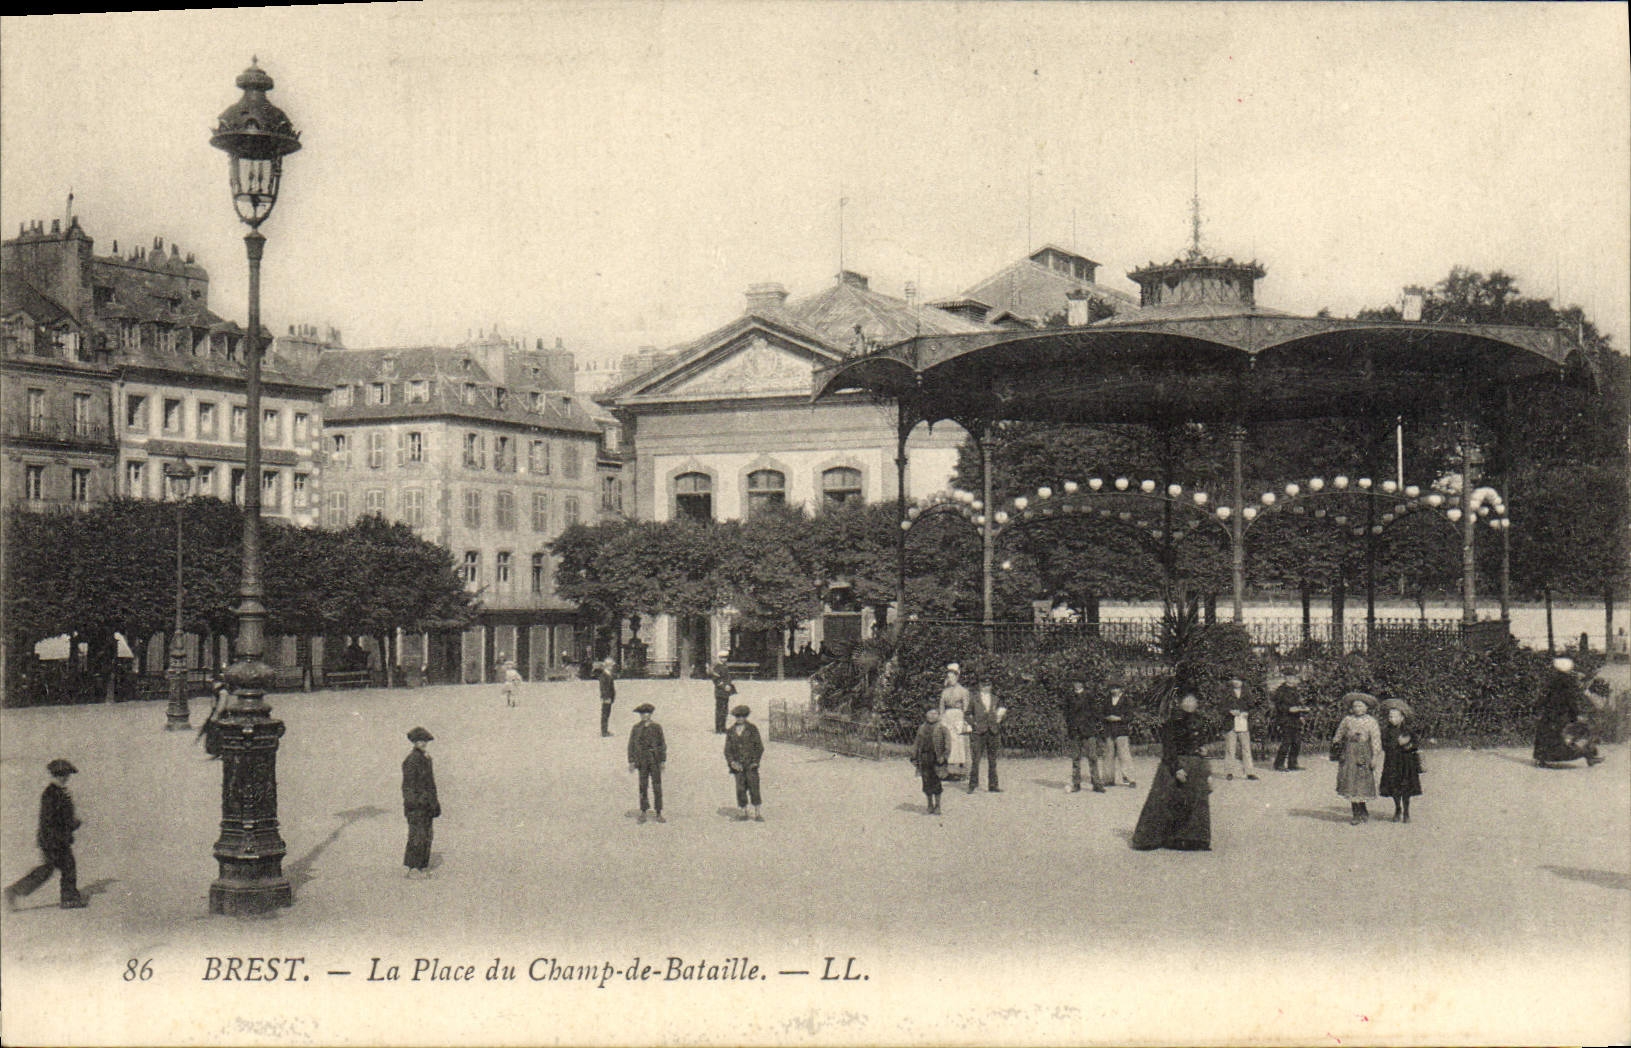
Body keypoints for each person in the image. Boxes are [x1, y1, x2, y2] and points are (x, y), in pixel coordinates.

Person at [1130, 692, 1211, 851]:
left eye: (1192, 700)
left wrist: (1204, 750)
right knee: (1163, 801)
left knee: (1194, 801)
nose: (1190, 703)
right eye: (1186, 699)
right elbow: (1169, 748)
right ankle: (1153, 838)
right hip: (1174, 765)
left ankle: (1190, 838)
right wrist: (1176, 768)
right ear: (1180, 702)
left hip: (1195, 765)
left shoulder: (1200, 721)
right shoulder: (1172, 723)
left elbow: (1202, 742)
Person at [6, 759, 87, 909]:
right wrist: (70, 825)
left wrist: (70, 824)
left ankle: (15, 891)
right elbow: (50, 820)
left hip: (57, 839)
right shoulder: (51, 794)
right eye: (63, 775)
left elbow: (61, 817)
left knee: (56, 868)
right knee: (60, 867)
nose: (66, 778)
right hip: (53, 840)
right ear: (56, 775)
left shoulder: (60, 792)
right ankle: (68, 899)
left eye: (67, 775)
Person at [1533, 657, 1603, 766]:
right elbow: (1571, 700)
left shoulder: (1551, 681)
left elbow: (1544, 697)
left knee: (1547, 736)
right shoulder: (1568, 682)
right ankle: (1589, 755)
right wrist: (1575, 714)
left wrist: (1537, 708)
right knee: (1567, 737)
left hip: (1549, 714)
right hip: (1563, 714)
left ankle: (1542, 759)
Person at [1332, 693, 1384, 825]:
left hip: (1364, 752)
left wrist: (1375, 757)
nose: (1358, 708)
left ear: (1366, 707)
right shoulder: (1348, 720)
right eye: (1355, 706)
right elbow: (1338, 734)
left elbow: (1376, 740)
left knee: (1362, 781)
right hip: (1349, 752)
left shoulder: (1371, 721)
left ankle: (1363, 808)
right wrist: (1337, 744)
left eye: (1361, 706)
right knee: (1350, 781)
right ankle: (1355, 813)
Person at [401, 727, 441, 877]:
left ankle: (422, 866)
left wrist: (434, 803)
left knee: (426, 835)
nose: (423, 743)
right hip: (417, 806)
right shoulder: (412, 760)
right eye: (419, 741)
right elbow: (408, 786)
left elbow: (431, 784)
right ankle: (413, 868)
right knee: (417, 835)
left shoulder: (426, 759)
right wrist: (414, 803)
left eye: (425, 741)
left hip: (427, 805)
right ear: (414, 742)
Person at [1379, 704, 1423, 823]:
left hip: (1406, 763)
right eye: (1390, 716)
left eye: (1394, 716)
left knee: (1406, 788)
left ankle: (1406, 812)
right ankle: (1398, 808)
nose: (1391, 719)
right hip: (1392, 762)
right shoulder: (1386, 731)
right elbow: (1384, 745)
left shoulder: (1408, 730)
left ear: (1402, 717)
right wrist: (1396, 744)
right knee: (1394, 787)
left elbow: (1415, 744)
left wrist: (1407, 744)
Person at [1064, 680, 1107, 793]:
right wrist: (1071, 725)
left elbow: (1095, 712)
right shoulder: (1069, 696)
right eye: (1075, 682)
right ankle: (1076, 783)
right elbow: (1067, 713)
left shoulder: (1089, 695)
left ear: (1083, 683)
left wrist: (1090, 724)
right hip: (1074, 731)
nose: (1076, 684)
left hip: (1088, 731)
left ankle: (1097, 783)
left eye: (1079, 682)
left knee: (1092, 756)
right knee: (1076, 758)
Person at [724, 704, 765, 821]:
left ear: (746, 717)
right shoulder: (731, 731)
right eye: (737, 716)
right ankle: (743, 812)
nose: (740, 718)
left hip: (751, 765)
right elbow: (727, 750)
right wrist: (732, 762)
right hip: (738, 766)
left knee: (754, 788)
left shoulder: (752, 729)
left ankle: (757, 813)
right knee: (740, 789)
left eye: (742, 716)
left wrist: (755, 761)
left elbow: (759, 747)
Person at [628, 702, 667, 824]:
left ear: (651, 714)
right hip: (642, 760)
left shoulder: (657, 727)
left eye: (647, 713)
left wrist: (662, 760)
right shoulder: (636, 728)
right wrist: (632, 761)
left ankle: (658, 811)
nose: (645, 716)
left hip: (654, 760)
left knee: (657, 786)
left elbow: (662, 744)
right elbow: (631, 745)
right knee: (643, 786)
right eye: (643, 714)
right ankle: (643, 811)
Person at [965, 679, 1005, 793]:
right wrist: (974, 724)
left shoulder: (995, 698)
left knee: (992, 759)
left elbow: (1000, 712)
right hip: (978, 732)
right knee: (976, 759)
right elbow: (967, 714)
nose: (986, 687)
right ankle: (972, 785)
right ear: (980, 686)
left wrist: (999, 718)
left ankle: (993, 785)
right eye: (984, 685)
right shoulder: (974, 698)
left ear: (991, 686)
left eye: (988, 685)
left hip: (992, 731)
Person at [912, 705, 951, 814]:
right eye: (930, 713)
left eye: (935, 713)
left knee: (936, 781)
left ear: (939, 715)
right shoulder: (922, 728)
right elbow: (917, 743)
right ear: (926, 714)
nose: (932, 716)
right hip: (924, 757)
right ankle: (929, 804)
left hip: (937, 758)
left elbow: (948, 745)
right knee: (926, 781)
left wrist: (944, 757)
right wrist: (914, 756)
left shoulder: (942, 728)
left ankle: (938, 805)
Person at [1221, 677, 1259, 781]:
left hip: (1243, 723)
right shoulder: (1226, 693)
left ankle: (1249, 772)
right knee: (1230, 749)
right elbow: (1221, 708)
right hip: (1230, 724)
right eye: (1234, 680)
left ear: (1242, 682)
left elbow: (1253, 708)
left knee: (1246, 748)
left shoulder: (1247, 693)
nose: (1236, 682)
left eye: (1238, 680)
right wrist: (1230, 711)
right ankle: (1229, 772)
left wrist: (1247, 713)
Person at [938, 663, 971, 779]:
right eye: (948, 677)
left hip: (958, 716)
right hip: (947, 717)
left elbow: (966, 707)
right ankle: (947, 771)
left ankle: (961, 772)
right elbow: (941, 706)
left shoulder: (963, 691)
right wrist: (941, 719)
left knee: (959, 743)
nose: (950, 679)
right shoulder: (945, 692)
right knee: (947, 742)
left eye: (952, 676)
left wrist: (964, 720)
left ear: (957, 677)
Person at [1270, 673, 1310, 771]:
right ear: (1286, 678)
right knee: (1286, 742)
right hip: (1285, 719)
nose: (1292, 679)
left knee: (1297, 742)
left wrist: (1301, 713)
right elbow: (1278, 706)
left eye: (1294, 677)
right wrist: (1288, 709)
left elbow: (1298, 703)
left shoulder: (1295, 690)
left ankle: (1292, 763)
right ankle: (1279, 764)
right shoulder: (1281, 690)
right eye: (1290, 677)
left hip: (1295, 719)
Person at [1101, 684, 1136, 788]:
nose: (1114, 690)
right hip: (1109, 731)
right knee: (1108, 756)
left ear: (1121, 689)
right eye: (1112, 688)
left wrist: (1119, 718)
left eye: (1116, 688)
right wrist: (1107, 718)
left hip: (1121, 731)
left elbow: (1130, 716)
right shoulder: (1107, 700)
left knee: (1124, 756)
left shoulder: (1126, 700)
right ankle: (1108, 779)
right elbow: (1101, 714)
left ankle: (1130, 779)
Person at [708, 653, 736, 734]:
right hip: (720, 692)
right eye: (722, 658)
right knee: (719, 710)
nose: (724, 659)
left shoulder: (725, 666)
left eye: (725, 658)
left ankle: (723, 727)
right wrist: (724, 686)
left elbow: (728, 678)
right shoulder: (717, 667)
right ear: (719, 658)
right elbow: (716, 680)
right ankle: (718, 728)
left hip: (726, 692)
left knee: (725, 710)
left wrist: (730, 685)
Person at [594, 658, 617, 737]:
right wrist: (606, 697)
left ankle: (605, 730)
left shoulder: (608, 674)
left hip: (609, 698)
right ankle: (604, 731)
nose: (612, 667)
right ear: (608, 666)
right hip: (606, 698)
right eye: (611, 665)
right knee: (605, 715)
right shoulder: (604, 675)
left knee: (607, 714)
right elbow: (603, 688)